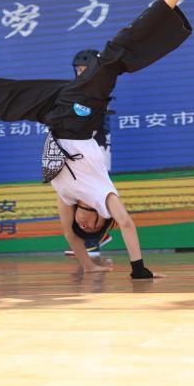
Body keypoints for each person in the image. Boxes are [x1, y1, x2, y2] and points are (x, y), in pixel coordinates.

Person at [0, 0, 194, 278]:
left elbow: (69, 234)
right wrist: (138, 269)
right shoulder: (103, 195)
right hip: (79, 114)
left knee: (1, 105)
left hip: (56, 114)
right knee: (114, 58)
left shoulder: (68, 197)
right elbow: (126, 223)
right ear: (103, 218)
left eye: (84, 227)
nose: (86, 225)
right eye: (94, 227)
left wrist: (89, 266)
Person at [63, 49, 113, 258]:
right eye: (78, 69)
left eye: (85, 69)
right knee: (77, 194)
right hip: (78, 148)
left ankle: (93, 241)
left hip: (95, 147)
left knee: (92, 194)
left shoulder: (97, 89)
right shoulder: (75, 89)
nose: (80, 72)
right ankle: (97, 237)